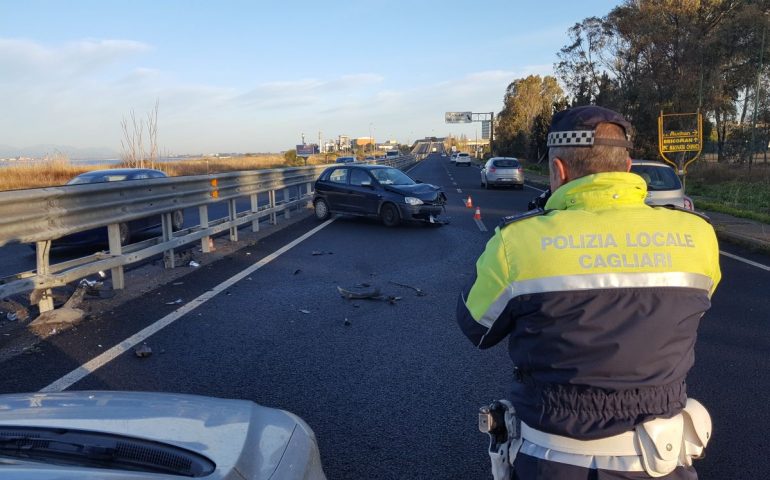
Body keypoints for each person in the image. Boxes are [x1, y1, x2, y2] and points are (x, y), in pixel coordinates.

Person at [457, 105, 721, 480]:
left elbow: (475, 327)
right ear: (627, 169)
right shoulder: (699, 236)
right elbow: (696, 308)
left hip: (550, 462)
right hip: (663, 465)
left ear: (559, 171)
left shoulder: (516, 243)